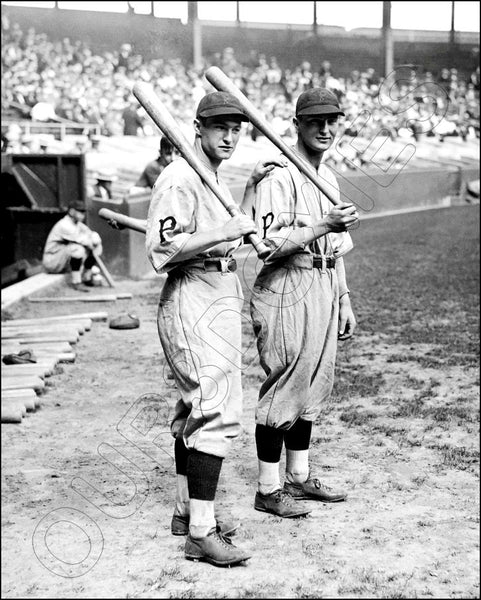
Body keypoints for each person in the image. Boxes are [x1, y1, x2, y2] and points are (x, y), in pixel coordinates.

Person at [146, 91, 284, 567]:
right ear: (198, 127)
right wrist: (221, 234)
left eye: (236, 128)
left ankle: (188, 513)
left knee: (198, 408)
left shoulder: (209, 175)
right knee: (215, 408)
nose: (229, 135)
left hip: (217, 288)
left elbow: (227, 225)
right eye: (219, 126)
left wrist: (244, 196)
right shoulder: (179, 176)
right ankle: (201, 534)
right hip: (191, 291)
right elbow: (160, 252)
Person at [248, 88, 359, 518]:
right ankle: (267, 488)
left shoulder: (327, 177)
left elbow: (337, 247)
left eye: (332, 120)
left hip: (325, 281)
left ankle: (298, 476)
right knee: (285, 381)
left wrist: (344, 298)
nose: (325, 128)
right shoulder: (279, 176)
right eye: (315, 121)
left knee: (314, 381)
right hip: (286, 284)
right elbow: (268, 247)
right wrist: (321, 224)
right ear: (297, 125)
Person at [42, 200, 103, 291]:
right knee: (78, 249)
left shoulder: (78, 224)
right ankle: (76, 282)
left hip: (62, 260)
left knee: (97, 247)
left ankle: (87, 277)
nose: (83, 214)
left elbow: (92, 236)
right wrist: (93, 241)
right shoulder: (64, 224)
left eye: (84, 212)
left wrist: (95, 238)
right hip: (52, 261)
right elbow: (87, 243)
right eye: (80, 211)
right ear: (71, 211)